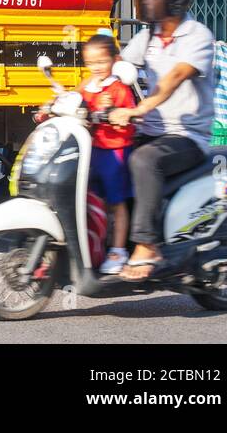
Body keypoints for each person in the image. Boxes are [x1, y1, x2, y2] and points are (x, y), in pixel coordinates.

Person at [109, 0, 215, 281]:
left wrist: (143, 108)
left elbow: (175, 77)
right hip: (151, 131)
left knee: (144, 160)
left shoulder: (197, 35)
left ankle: (146, 244)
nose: (143, 2)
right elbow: (119, 69)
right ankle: (112, 244)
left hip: (186, 136)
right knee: (110, 156)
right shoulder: (148, 36)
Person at [78, 33, 137, 275]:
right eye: (91, 63)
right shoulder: (86, 85)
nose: (97, 67)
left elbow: (129, 116)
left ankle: (118, 251)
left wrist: (114, 112)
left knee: (117, 203)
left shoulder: (119, 88)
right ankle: (97, 246)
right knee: (96, 202)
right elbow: (73, 99)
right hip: (92, 152)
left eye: (102, 61)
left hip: (116, 153)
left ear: (114, 60)